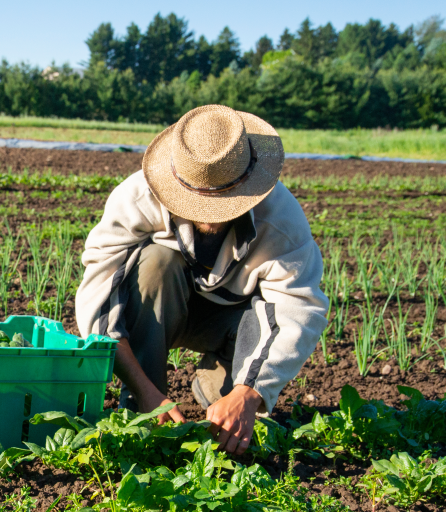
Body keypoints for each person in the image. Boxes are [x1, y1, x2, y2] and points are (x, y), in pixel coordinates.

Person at [75, 105, 328, 455]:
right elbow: (99, 302)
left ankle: (219, 385)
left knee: (233, 419)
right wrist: (148, 394)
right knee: (154, 263)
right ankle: (142, 408)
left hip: (230, 323)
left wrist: (249, 394)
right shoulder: (136, 198)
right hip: (162, 308)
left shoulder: (281, 220)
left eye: (223, 201)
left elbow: (298, 309)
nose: (209, 213)